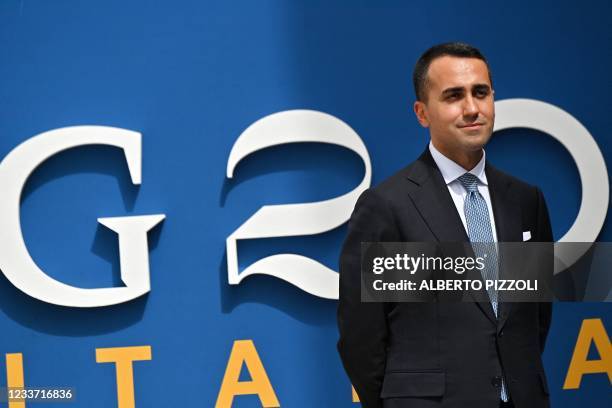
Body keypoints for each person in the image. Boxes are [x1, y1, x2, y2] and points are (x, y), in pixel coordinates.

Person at [337, 43, 553, 408]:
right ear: (422, 113)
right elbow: (362, 338)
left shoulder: (526, 200)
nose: (472, 108)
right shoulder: (387, 207)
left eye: (480, 93)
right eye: (453, 96)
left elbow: (535, 318)